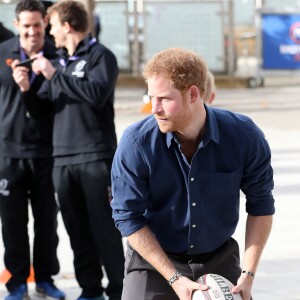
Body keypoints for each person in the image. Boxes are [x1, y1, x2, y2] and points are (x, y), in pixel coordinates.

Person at [111, 48, 275, 300]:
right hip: (154, 261)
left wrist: (248, 274)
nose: (153, 108)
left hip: (219, 257)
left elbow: (261, 205)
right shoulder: (136, 143)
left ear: (193, 94)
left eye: (164, 99)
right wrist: (175, 279)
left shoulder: (244, 136)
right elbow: (127, 217)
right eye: (150, 97)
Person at [22, 1, 125, 299]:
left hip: (96, 156)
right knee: (77, 230)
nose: (49, 32)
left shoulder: (100, 56)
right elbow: (42, 110)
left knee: (105, 229)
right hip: (61, 159)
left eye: (51, 25)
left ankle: (118, 289)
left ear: (66, 25)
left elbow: (95, 94)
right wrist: (27, 89)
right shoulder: (60, 62)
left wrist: (54, 74)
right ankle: (89, 288)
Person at [0, 1, 65, 300]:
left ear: (45, 25)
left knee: (46, 222)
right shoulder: (2, 54)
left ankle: (45, 279)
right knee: (12, 223)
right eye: (26, 26)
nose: (32, 31)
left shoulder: (57, 56)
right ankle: (15, 283)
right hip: (8, 154)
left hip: (46, 152)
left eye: (37, 25)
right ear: (16, 25)